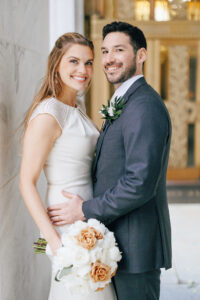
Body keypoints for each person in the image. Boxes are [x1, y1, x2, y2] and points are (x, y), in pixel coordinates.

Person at [48, 22, 172, 300]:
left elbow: (139, 183)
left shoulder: (144, 106)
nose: (109, 59)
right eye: (105, 51)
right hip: (120, 242)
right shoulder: (126, 100)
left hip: (137, 246)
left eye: (119, 50)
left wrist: (86, 209)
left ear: (141, 55)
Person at [19, 32, 117, 300]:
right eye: (74, 61)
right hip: (66, 229)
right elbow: (26, 181)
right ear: (56, 63)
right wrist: (55, 242)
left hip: (88, 219)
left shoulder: (76, 107)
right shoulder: (49, 113)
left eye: (88, 63)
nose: (82, 70)